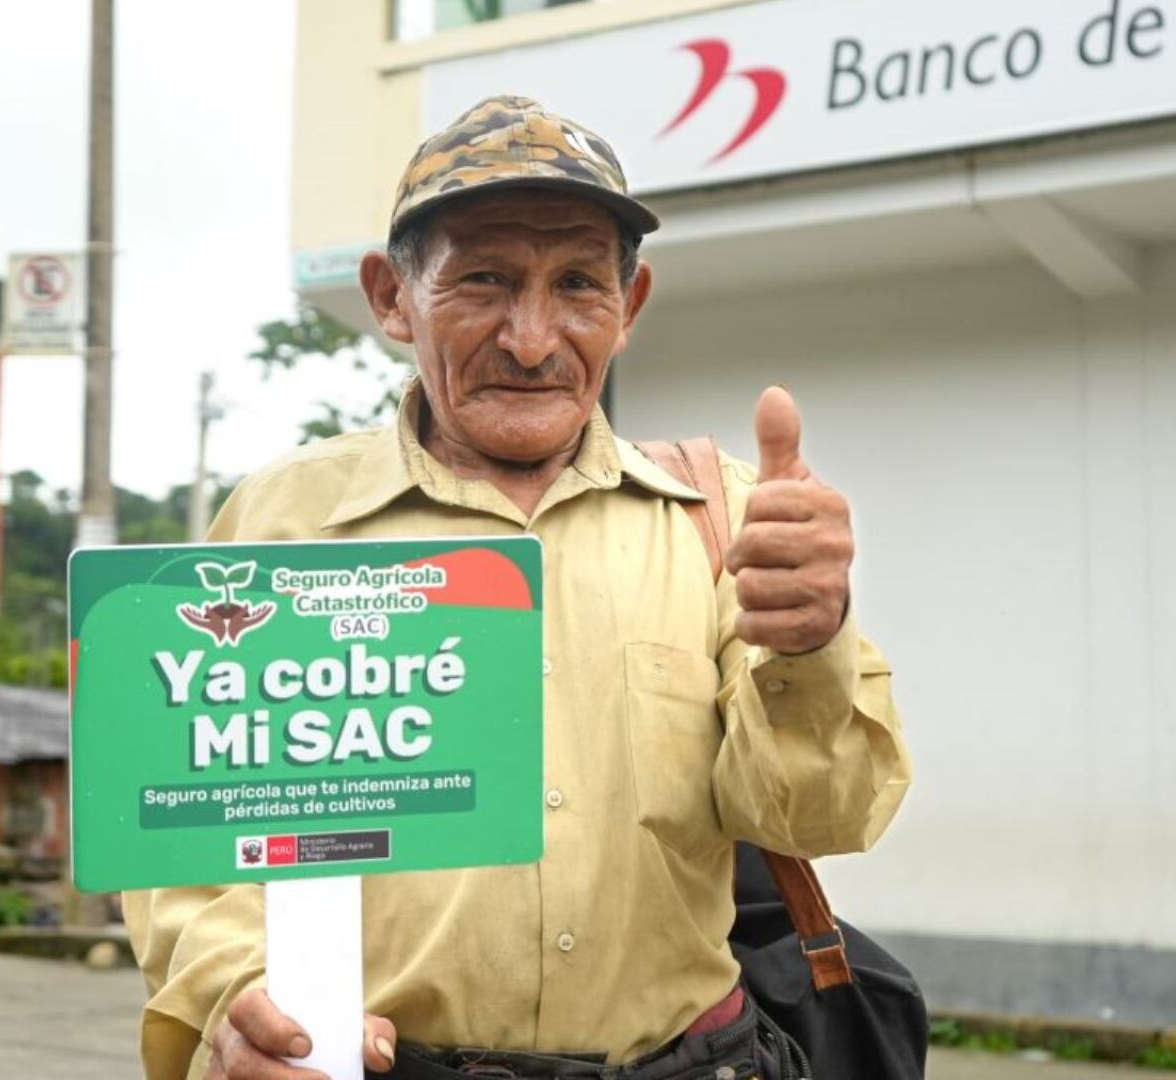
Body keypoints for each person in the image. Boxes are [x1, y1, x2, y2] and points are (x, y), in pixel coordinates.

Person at [125, 95, 911, 1080]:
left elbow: (818, 821)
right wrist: (237, 991)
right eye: (484, 280)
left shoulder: (725, 524)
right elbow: (190, 836)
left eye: (579, 283)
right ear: (390, 297)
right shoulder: (286, 522)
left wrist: (810, 641)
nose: (534, 340)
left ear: (630, 307)